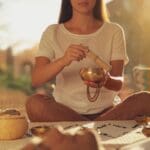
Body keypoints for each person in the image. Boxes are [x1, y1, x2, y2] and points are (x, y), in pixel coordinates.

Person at [26, 0, 150, 122]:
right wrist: (63, 60)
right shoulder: (52, 32)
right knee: (34, 103)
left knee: (145, 99)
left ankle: (82, 129)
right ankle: (96, 128)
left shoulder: (114, 31)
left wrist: (105, 80)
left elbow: (118, 84)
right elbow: (36, 79)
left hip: (108, 112)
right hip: (64, 112)